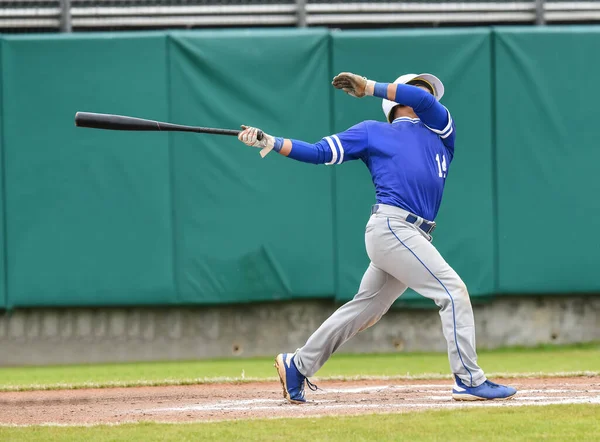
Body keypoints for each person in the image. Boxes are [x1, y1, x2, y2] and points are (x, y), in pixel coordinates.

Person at [237, 72, 517, 403]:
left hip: (415, 235)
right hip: (391, 228)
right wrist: (270, 141)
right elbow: (317, 152)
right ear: (396, 101)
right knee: (452, 292)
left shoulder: (442, 133)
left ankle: (298, 365)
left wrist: (368, 87)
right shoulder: (373, 132)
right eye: (418, 89)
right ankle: (469, 379)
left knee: (366, 309)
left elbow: (424, 102)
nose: (427, 96)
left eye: (427, 93)